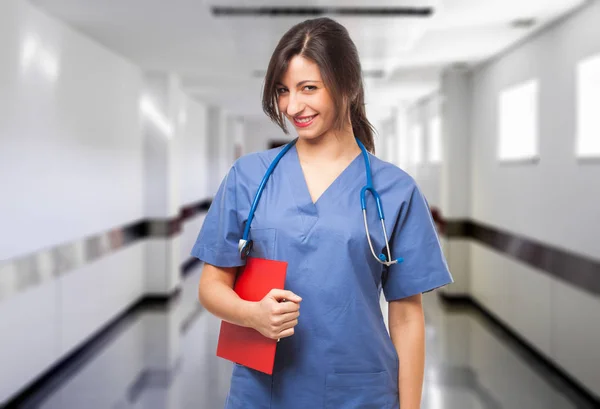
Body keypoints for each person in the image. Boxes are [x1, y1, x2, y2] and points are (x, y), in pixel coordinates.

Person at [192, 17, 453, 409]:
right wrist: (251, 314)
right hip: (263, 392)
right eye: (283, 91)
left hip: (361, 392)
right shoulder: (249, 176)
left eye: (308, 88)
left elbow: (406, 316)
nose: (293, 106)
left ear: (347, 86)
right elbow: (211, 286)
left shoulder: (394, 190)